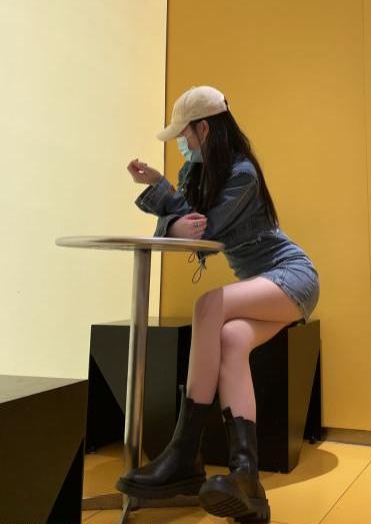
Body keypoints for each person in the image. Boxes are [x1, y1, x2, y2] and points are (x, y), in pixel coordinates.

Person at [116, 85, 320, 523]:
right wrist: (159, 188)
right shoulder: (203, 172)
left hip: (291, 276)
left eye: (184, 135)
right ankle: (247, 481)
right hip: (263, 283)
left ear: (204, 129)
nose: (182, 143)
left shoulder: (242, 173)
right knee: (230, 339)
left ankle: (184, 454)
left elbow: (204, 231)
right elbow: (185, 221)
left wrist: (172, 216)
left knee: (209, 306)